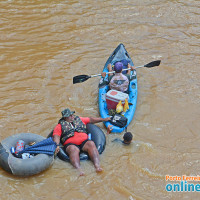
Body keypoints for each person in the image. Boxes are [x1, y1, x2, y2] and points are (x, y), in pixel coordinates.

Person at [53, 108, 111, 176]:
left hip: (84, 142)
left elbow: (91, 119)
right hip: (70, 144)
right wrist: (56, 145)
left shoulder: (79, 119)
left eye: (72, 115)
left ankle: (97, 166)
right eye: (70, 116)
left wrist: (103, 119)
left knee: (91, 144)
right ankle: (79, 170)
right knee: (73, 149)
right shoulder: (59, 126)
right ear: (65, 117)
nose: (72, 116)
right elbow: (56, 136)